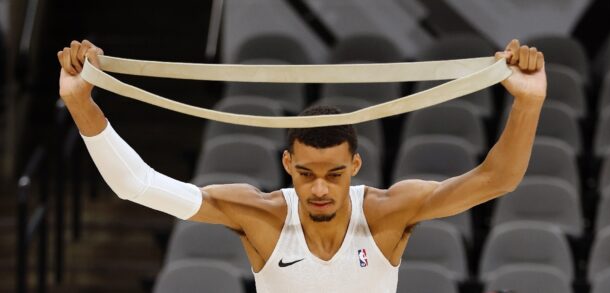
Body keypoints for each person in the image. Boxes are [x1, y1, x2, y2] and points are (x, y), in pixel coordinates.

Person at [57, 39, 546, 292]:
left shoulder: (386, 213)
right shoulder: (261, 214)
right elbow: (138, 185)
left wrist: (528, 102)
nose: (319, 189)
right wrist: (81, 102)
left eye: (334, 174)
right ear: (287, 163)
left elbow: (495, 179)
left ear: (356, 165)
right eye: (306, 173)